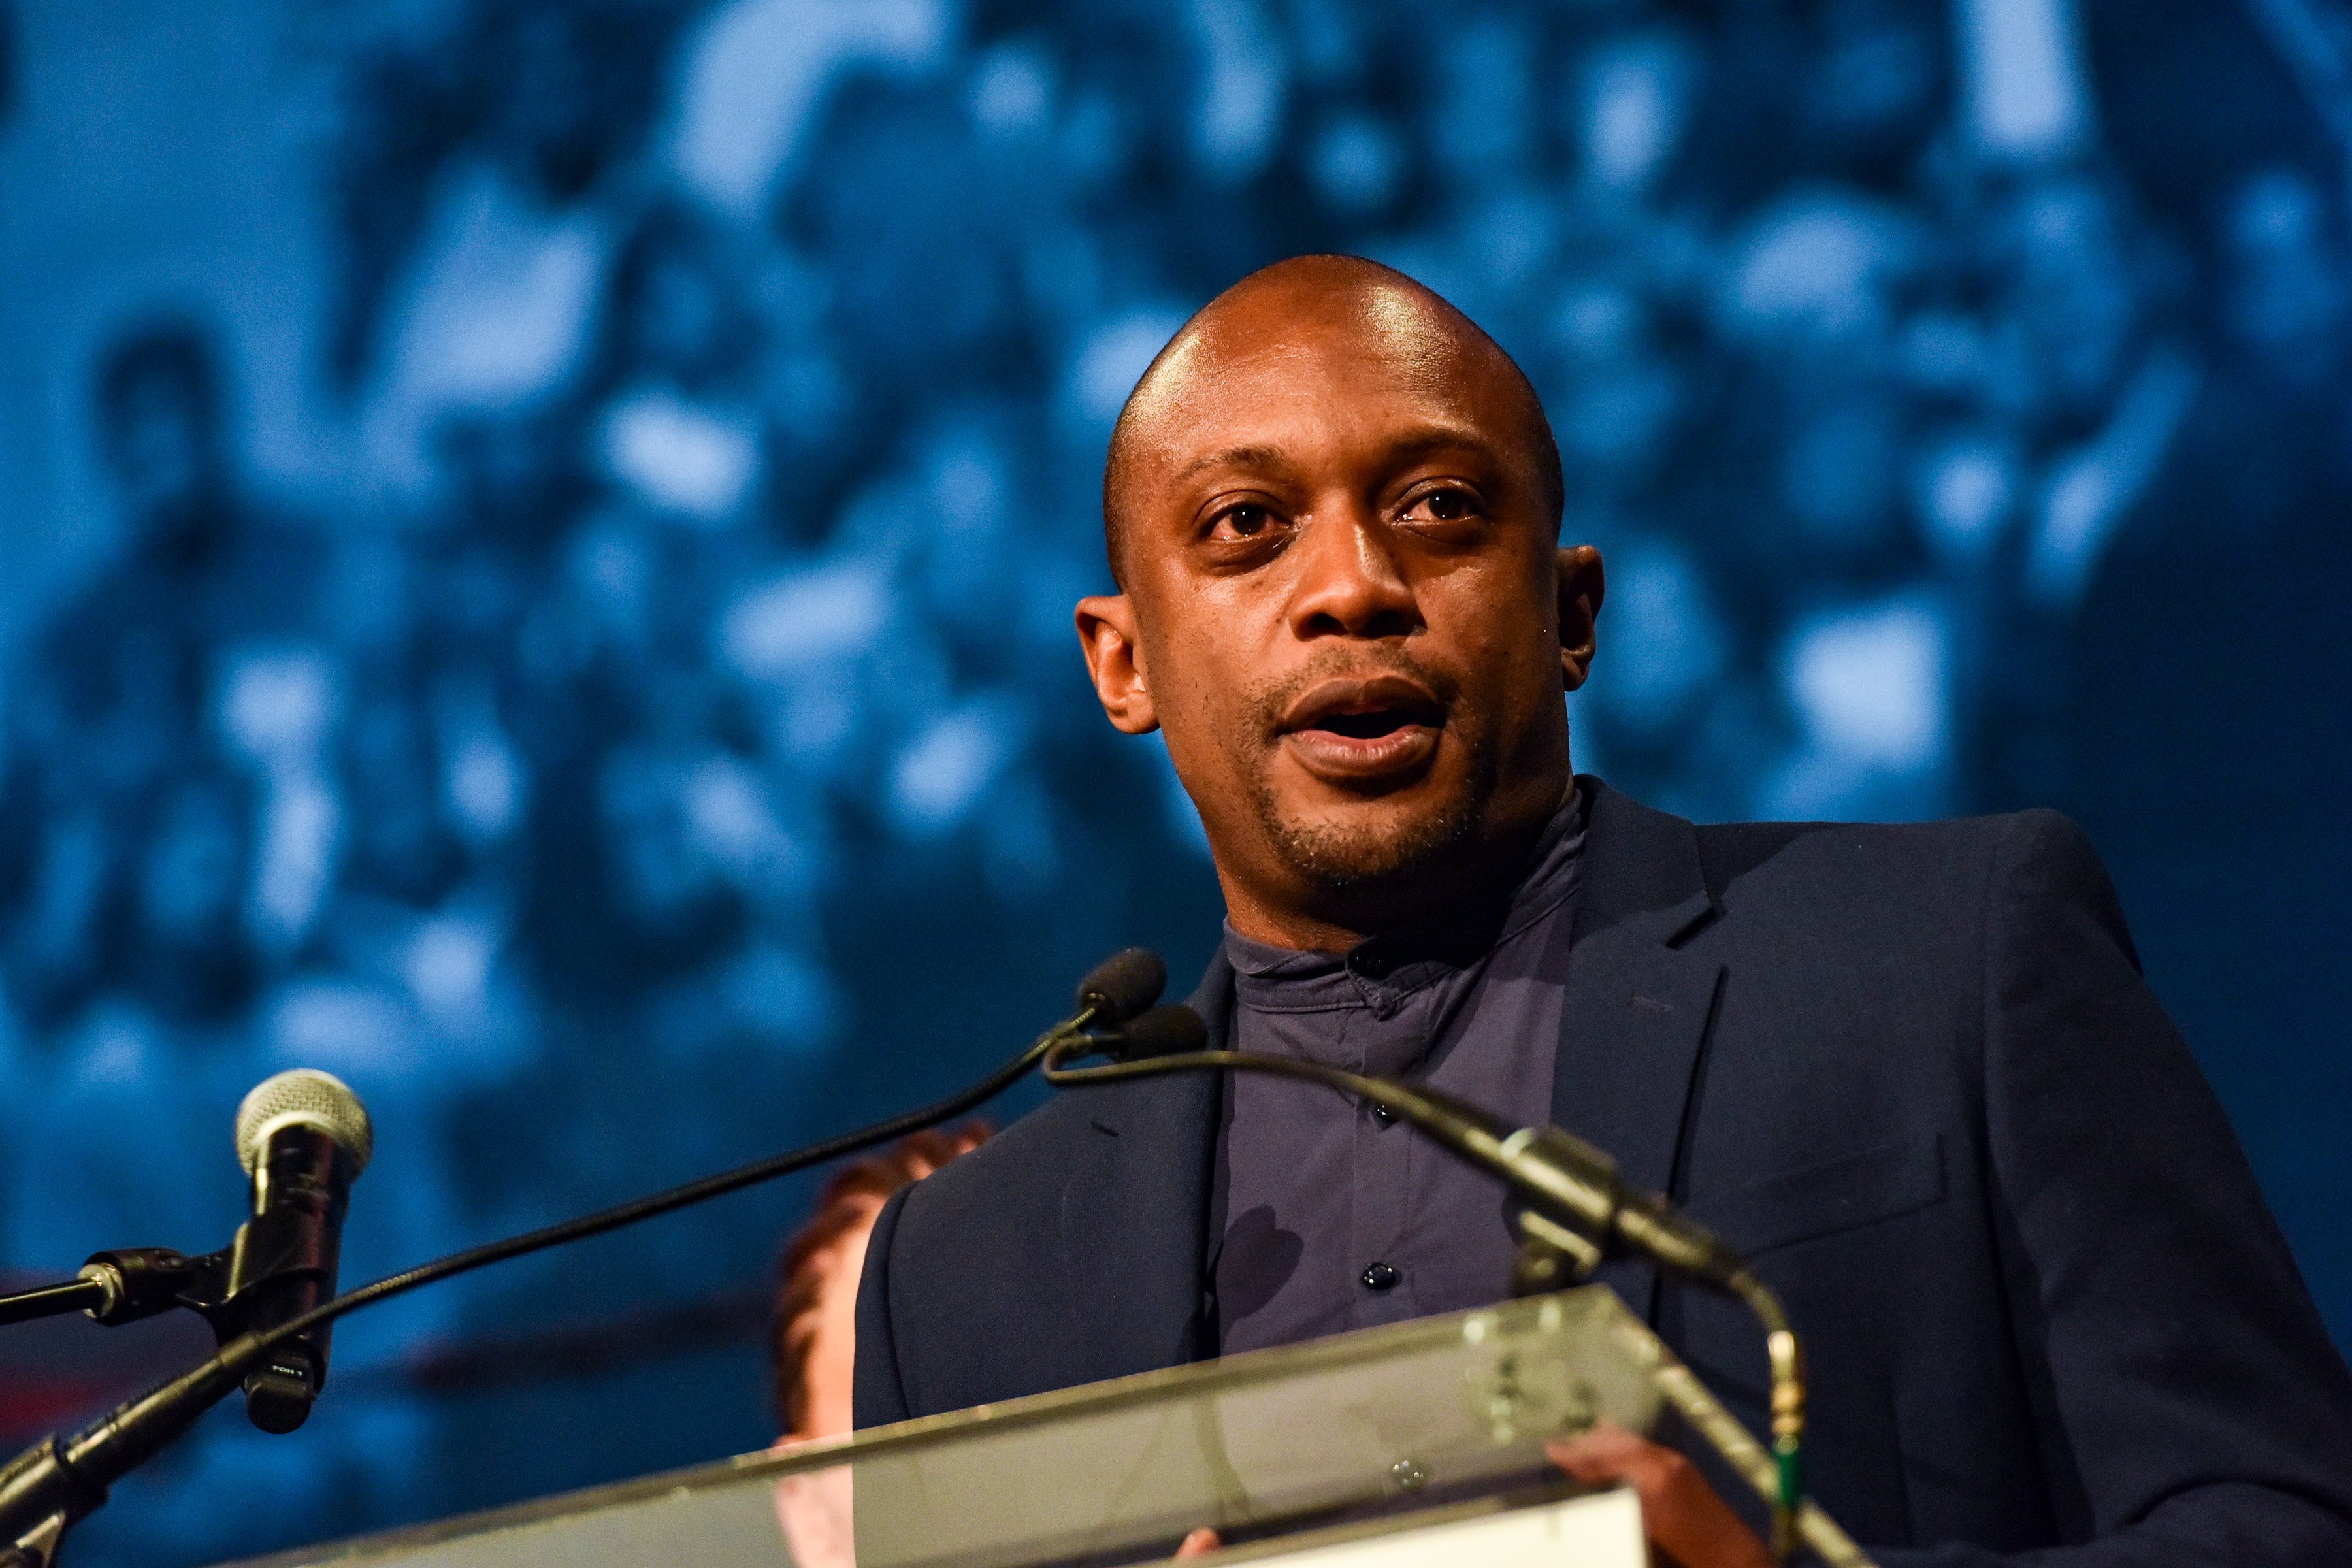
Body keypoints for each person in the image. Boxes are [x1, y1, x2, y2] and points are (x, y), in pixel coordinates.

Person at [849, 257, 2352, 1564]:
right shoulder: (956, 1278)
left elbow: (2291, 1525)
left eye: (1437, 507)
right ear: (1122, 664)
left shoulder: (1948, 962)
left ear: (1572, 611)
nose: (1354, 586)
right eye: (1247, 526)